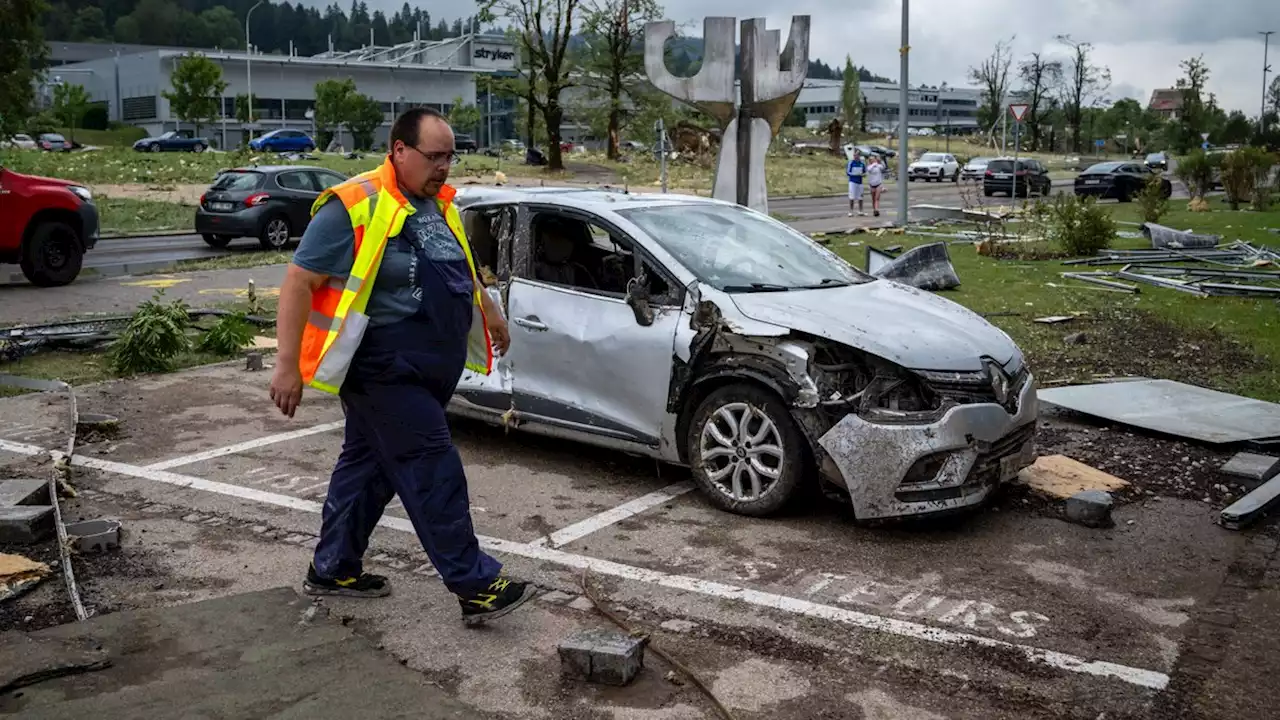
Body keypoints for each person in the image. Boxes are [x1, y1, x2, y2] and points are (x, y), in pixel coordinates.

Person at [268, 107, 535, 626]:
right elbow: (298, 282)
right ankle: (475, 584)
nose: (444, 167)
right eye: (434, 156)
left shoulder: (439, 205)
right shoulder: (353, 204)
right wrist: (286, 365)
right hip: (382, 368)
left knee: (367, 468)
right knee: (432, 468)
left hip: (428, 367)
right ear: (398, 150)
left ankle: (333, 567)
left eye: (450, 157)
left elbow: (454, 265)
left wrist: (489, 309)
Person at [845, 148, 866, 217]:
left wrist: (863, 174)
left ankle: (860, 210)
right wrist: (855, 174)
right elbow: (848, 172)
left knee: (860, 197)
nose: (856, 156)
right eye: (855, 155)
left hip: (860, 182)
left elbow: (864, 172)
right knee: (852, 196)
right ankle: (851, 211)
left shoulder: (862, 163)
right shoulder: (851, 163)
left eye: (857, 155)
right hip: (852, 181)